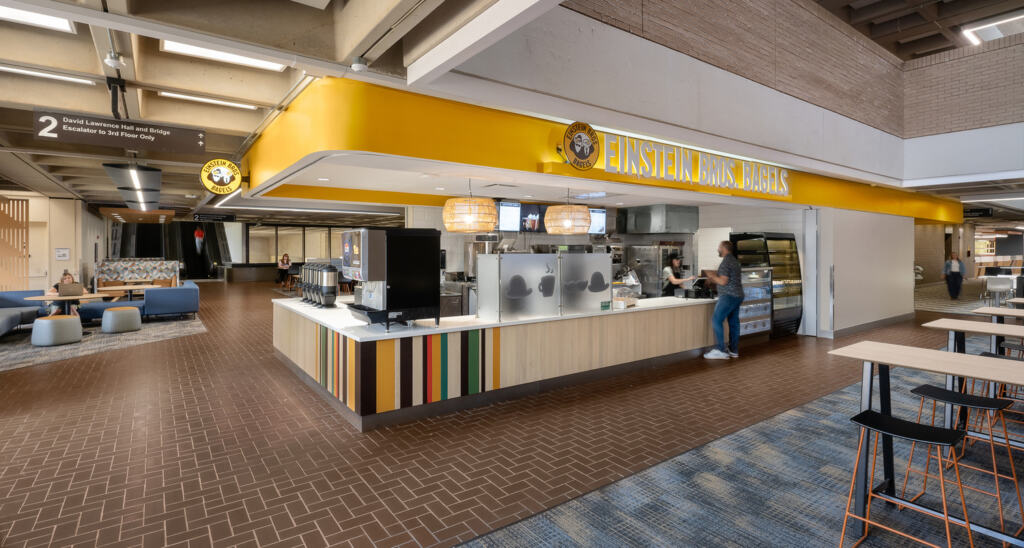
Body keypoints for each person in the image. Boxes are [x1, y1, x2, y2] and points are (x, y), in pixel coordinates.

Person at [703, 241, 744, 360]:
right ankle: (733, 350)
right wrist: (715, 278)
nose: (718, 250)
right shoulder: (735, 261)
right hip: (738, 295)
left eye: (719, 247)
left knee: (716, 320)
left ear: (724, 248)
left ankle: (721, 350)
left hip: (728, 296)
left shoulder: (726, 262)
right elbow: (727, 279)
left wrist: (711, 276)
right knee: (734, 322)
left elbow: (723, 281)